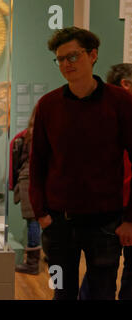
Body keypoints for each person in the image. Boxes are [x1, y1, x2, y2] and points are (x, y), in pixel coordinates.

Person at [29, 27, 132, 300]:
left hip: (105, 223)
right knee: (61, 292)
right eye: (60, 59)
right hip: (58, 224)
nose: (65, 64)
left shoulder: (120, 102)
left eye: (72, 57)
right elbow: (37, 161)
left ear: (93, 55)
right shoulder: (48, 105)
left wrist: (129, 219)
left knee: (102, 293)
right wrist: (41, 214)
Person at [79, 63, 132, 300]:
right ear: (126, 84)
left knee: (98, 274)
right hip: (114, 207)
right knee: (101, 275)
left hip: (109, 207)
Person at [9, 106, 41, 275]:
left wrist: (13, 182)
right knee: (43, 220)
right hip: (43, 180)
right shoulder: (46, 135)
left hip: (28, 179)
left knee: (33, 221)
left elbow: (17, 162)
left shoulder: (26, 136)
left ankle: (32, 263)